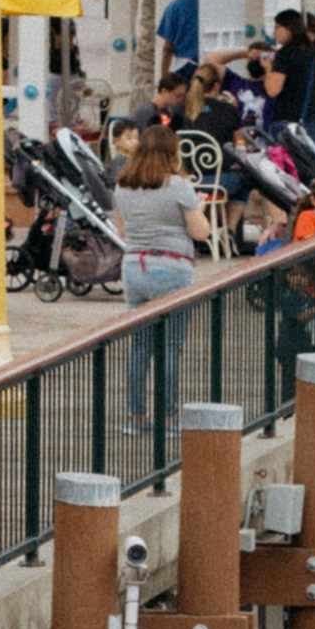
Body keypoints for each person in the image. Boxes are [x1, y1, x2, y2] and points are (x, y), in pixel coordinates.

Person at [111, 118, 202, 424]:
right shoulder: (179, 186)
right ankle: (168, 417)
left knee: (140, 344)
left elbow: (122, 230)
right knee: (170, 346)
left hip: (134, 266)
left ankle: (135, 416)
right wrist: (198, 208)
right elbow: (200, 232)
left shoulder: (122, 186)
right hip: (171, 266)